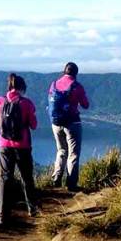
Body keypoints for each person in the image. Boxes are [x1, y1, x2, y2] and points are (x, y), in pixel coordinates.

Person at [0, 73, 38, 225]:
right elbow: (34, 125)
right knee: (27, 177)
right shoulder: (27, 103)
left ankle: (2, 215)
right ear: (22, 88)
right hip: (23, 146)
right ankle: (32, 209)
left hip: (4, 146)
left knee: (5, 179)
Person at [48, 62, 90, 192]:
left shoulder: (54, 84)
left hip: (55, 123)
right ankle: (71, 184)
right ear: (76, 74)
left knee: (61, 150)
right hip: (72, 123)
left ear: (64, 71)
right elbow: (85, 105)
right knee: (73, 153)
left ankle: (56, 179)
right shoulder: (77, 86)